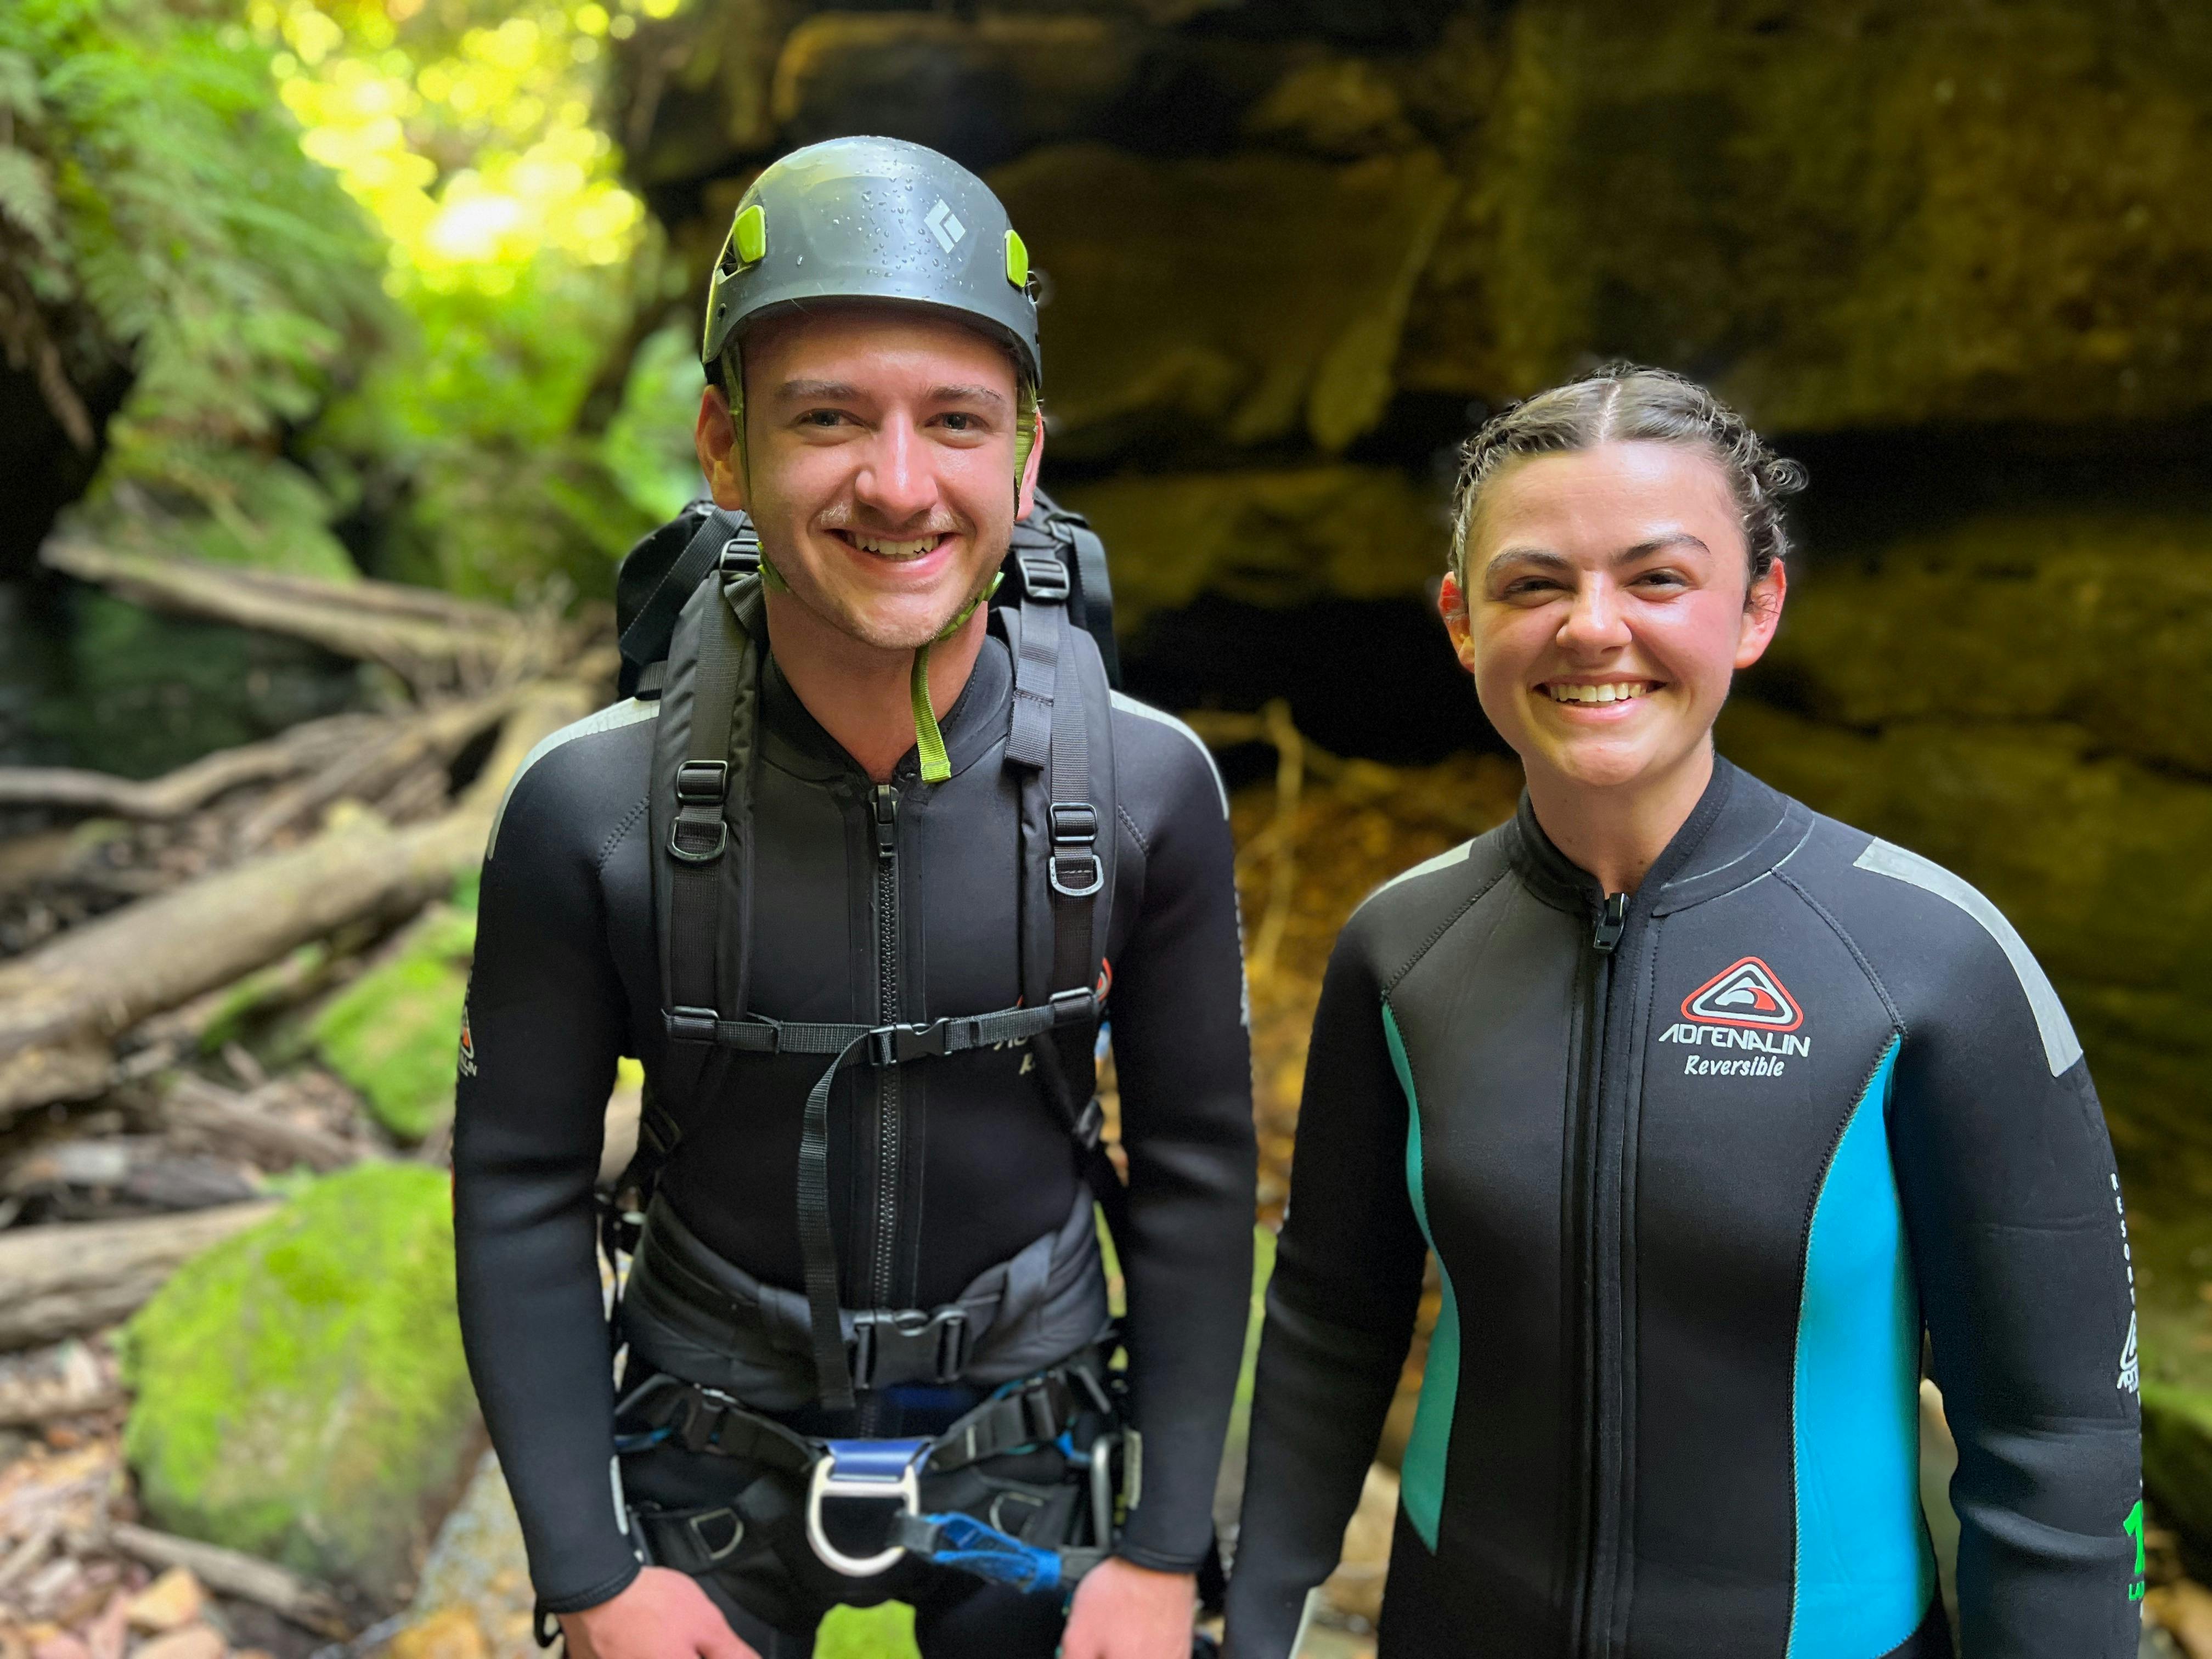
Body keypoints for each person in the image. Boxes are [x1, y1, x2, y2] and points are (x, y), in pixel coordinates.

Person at [452, 136, 1256, 1659]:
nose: (898, 484)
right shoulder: (588, 811)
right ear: (723, 447)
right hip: (703, 1439)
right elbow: (516, 1188)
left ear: (1027, 455)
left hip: (1034, 1442)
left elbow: (1207, 1169)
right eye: (827, 419)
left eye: (956, 422)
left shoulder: (1146, 790)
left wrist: (1165, 1550)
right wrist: (591, 1575)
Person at [1223, 365, 2143, 1658]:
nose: (1594, 628)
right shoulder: (1406, 947)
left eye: (1657, 579)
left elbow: (2058, 1433)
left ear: (1755, 607)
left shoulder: (1927, 959)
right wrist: (1259, 1612)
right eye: (1534, 583)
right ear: (1460, 622)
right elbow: (1330, 1311)